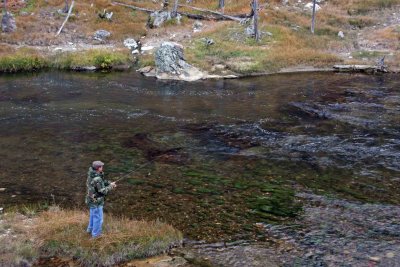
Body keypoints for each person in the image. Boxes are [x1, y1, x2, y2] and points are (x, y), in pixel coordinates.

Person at [85, 160, 116, 238]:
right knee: (98, 219)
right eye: (101, 166)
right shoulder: (97, 178)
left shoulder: (91, 174)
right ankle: (96, 235)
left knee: (93, 216)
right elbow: (102, 191)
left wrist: (109, 183)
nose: (102, 168)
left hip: (91, 200)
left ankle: (90, 230)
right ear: (98, 168)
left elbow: (100, 183)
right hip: (96, 202)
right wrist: (111, 186)